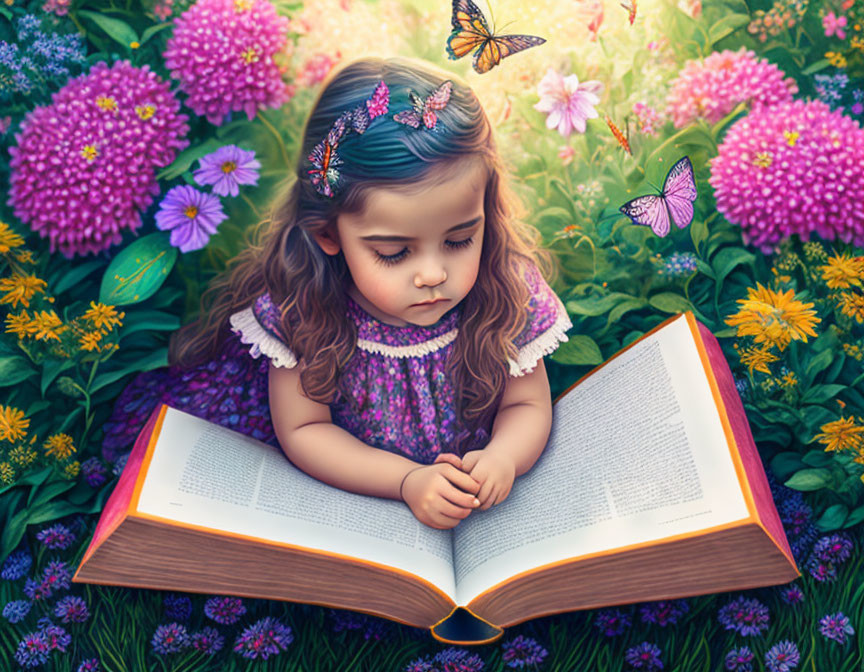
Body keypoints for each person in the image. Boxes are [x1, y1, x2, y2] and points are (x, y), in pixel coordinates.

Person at [101, 56, 573, 530]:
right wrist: (407, 481)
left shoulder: (505, 293)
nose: (433, 274)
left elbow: (525, 404)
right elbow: (305, 429)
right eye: (393, 252)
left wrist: (503, 458)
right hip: (357, 490)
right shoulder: (305, 308)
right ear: (329, 233)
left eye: (459, 240)